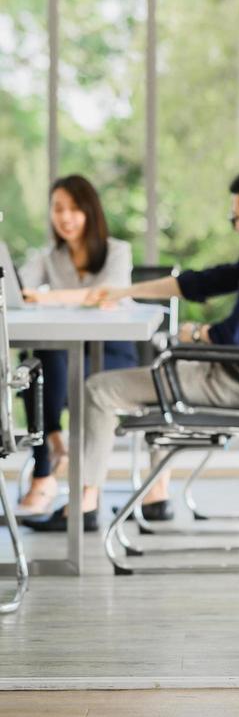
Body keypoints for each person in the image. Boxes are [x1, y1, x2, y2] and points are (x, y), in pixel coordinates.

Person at [26, 168, 239, 533]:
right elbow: (199, 282)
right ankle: (156, 496)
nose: (235, 226)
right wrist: (125, 292)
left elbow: (234, 334)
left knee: (97, 389)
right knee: (150, 382)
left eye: (235, 218)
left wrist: (194, 333)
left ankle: (84, 504)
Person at [16, 174, 137, 517]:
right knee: (35, 367)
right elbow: (19, 290)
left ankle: (57, 480)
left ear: (90, 212)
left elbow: (101, 295)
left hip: (109, 354)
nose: (65, 217)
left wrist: (45, 297)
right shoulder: (48, 257)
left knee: (63, 370)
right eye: (58, 209)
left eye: (73, 209)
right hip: (65, 356)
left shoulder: (117, 251)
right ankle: (54, 450)